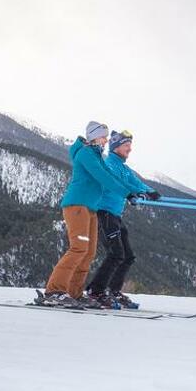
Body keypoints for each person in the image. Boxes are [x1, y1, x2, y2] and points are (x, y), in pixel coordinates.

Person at [41, 122, 146, 307]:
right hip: (77, 205)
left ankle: (74, 293)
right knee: (78, 248)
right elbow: (103, 177)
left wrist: (134, 191)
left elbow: (113, 177)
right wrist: (127, 193)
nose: (106, 140)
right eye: (103, 136)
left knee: (88, 253)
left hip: (90, 208)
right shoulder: (85, 154)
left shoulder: (96, 155)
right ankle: (54, 291)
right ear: (94, 136)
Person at [86, 130, 160, 308]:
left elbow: (134, 182)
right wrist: (135, 193)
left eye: (130, 145)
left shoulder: (123, 167)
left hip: (115, 215)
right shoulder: (109, 164)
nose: (130, 149)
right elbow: (117, 183)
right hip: (104, 213)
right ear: (117, 147)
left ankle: (113, 291)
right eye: (127, 145)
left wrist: (149, 191)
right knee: (116, 254)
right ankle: (95, 291)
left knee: (128, 256)